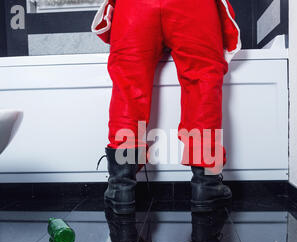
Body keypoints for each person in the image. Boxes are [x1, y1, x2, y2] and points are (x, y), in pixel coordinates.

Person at [92, 0, 241, 214]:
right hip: (193, 6)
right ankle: (206, 185)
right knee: (202, 84)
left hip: (135, 7)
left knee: (128, 86)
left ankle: (121, 186)